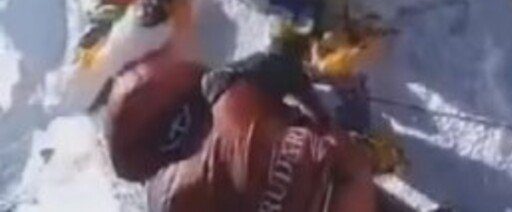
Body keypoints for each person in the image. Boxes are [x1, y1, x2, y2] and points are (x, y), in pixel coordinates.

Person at [105, 48, 380, 211]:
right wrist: (321, 114)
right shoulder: (231, 82)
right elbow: (284, 65)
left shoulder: (166, 200)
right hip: (344, 179)